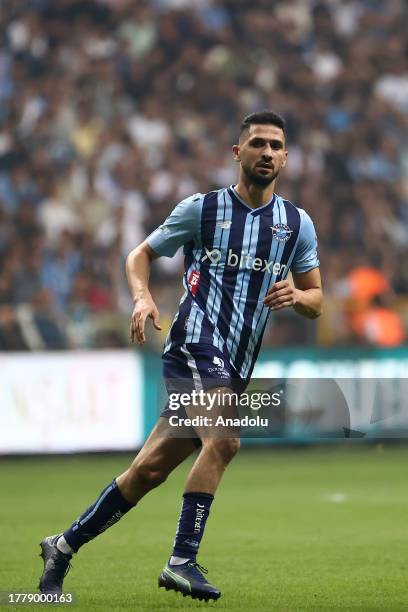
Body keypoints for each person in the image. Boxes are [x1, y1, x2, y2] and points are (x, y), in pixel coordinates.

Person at [38, 111, 323, 601]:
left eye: (277, 145)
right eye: (258, 144)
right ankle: (181, 560)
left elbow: (318, 299)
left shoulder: (296, 224)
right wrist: (142, 296)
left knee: (148, 471)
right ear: (238, 153)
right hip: (194, 341)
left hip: (234, 363)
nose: (268, 153)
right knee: (227, 441)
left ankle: (62, 546)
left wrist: (297, 297)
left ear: (286, 157)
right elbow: (139, 255)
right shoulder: (202, 209)